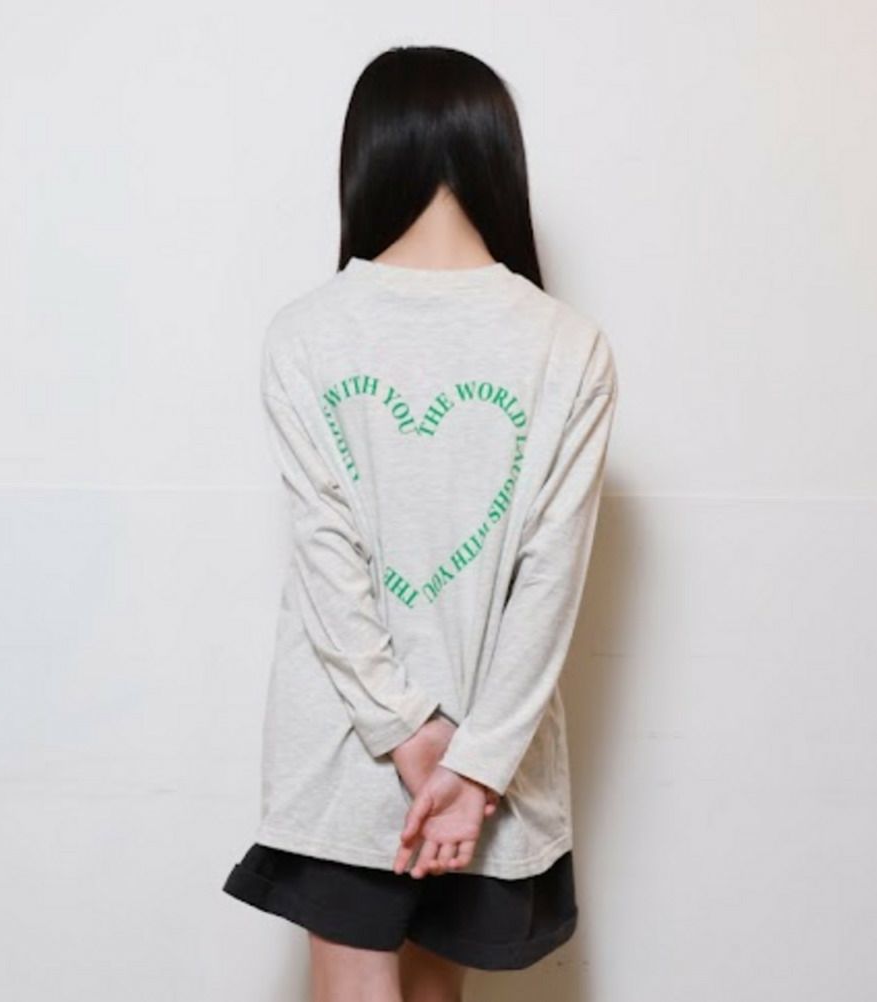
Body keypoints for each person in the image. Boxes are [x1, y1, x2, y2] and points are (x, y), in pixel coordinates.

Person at [223, 44, 619, 1000]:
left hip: (345, 749)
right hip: (490, 763)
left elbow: (328, 562)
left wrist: (406, 733)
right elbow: (548, 587)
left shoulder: (304, 333)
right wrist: (475, 767)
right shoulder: (568, 346)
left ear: (367, 157)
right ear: (497, 155)